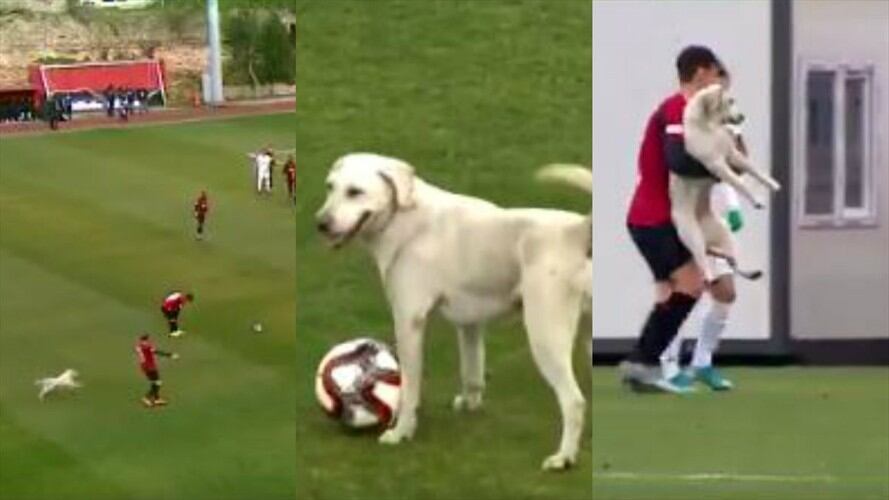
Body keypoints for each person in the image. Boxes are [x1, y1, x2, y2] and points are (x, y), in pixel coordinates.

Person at [621, 45, 732, 393]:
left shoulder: (695, 115)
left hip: (657, 218)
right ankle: (645, 362)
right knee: (691, 284)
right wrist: (718, 166)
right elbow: (677, 161)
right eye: (715, 75)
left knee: (675, 289)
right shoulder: (678, 109)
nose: (717, 85)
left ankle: (647, 366)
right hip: (652, 218)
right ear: (701, 73)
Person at [136, 333, 178, 407]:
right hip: (150, 367)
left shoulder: (138, 347)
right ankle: (146, 398)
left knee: (154, 382)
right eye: (146, 340)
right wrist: (170, 355)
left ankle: (156, 399)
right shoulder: (147, 347)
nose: (147, 341)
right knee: (158, 383)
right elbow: (157, 352)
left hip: (144, 367)